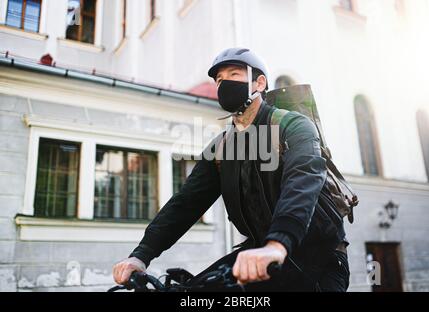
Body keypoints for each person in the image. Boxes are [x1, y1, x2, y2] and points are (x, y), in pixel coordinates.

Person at [113, 47, 350, 292]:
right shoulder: (221, 148)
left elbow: (302, 183)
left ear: (259, 83)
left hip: (318, 256)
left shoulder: (293, 125)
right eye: (219, 80)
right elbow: (184, 204)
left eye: (234, 74)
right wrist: (141, 256)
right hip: (259, 253)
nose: (224, 83)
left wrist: (277, 244)